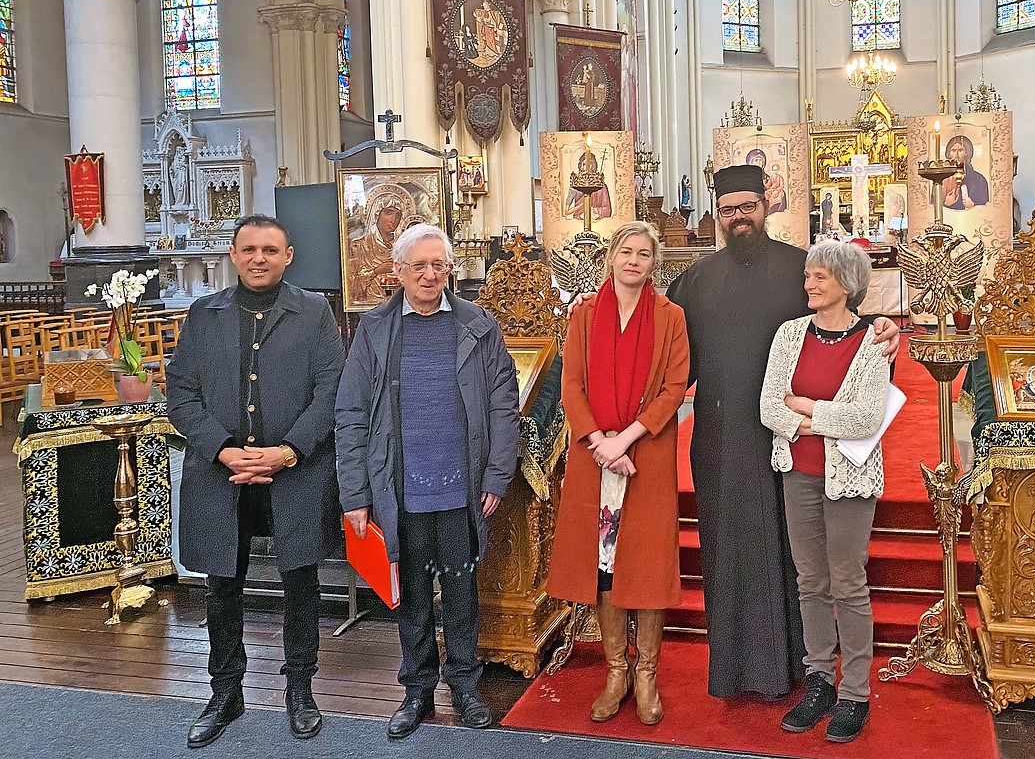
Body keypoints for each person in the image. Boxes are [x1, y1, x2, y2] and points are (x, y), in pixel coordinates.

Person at [665, 164, 900, 700]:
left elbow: (851, 325)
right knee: (733, 553)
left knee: (801, 562)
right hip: (723, 442)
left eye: (747, 206)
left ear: (766, 205)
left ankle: (807, 672)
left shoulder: (802, 269)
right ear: (717, 215)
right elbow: (669, 356)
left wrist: (885, 327)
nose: (738, 217)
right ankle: (735, 671)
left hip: (794, 443)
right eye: (728, 210)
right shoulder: (696, 280)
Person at [167, 214, 346, 748]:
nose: (258, 258)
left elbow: (332, 390)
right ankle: (225, 692)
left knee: (300, 583)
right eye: (249, 249)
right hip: (222, 477)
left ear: (288, 256)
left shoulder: (314, 312)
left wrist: (287, 451)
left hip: (295, 475)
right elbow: (181, 394)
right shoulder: (204, 314)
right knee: (222, 586)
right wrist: (223, 450)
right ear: (233, 254)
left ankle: (300, 692)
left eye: (270, 249)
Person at [335, 223, 519, 737]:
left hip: (461, 490)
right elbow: (350, 413)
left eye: (439, 265)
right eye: (419, 266)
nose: (430, 274)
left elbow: (504, 406)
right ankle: (417, 690)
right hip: (399, 490)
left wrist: (496, 476)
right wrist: (356, 493)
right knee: (412, 595)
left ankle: (464, 685)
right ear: (398, 272)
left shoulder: (478, 325)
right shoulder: (374, 330)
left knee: (461, 594)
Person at [546, 222, 690, 726]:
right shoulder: (583, 315)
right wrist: (598, 443)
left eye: (644, 254)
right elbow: (571, 384)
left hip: (644, 453)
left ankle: (647, 673)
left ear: (655, 262)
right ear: (611, 257)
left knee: (646, 563)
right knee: (603, 565)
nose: (633, 260)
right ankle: (616, 672)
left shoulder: (671, 317)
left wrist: (624, 440)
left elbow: (674, 388)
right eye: (625, 251)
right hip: (595, 457)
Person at [760, 240, 890, 744]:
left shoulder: (873, 341)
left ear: (847, 283)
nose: (809, 284)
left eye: (819, 277)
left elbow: (867, 417)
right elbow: (770, 407)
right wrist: (820, 419)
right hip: (798, 472)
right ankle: (820, 681)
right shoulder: (789, 334)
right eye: (808, 276)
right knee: (810, 580)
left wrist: (809, 412)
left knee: (848, 583)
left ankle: (855, 692)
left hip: (850, 478)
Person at [348, 189, 406, 301]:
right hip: (370, 305)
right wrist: (377, 271)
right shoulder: (359, 245)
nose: (393, 220)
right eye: (388, 213)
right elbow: (353, 282)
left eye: (398, 215)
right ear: (377, 213)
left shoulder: (403, 246)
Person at [940, 135, 990, 211]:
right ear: (948, 154)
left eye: (960, 150)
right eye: (953, 150)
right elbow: (933, 204)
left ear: (967, 153)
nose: (956, 155)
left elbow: (985, 205)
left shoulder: (979, 179)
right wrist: (946, 203)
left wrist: (973, 204)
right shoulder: (941, 179)